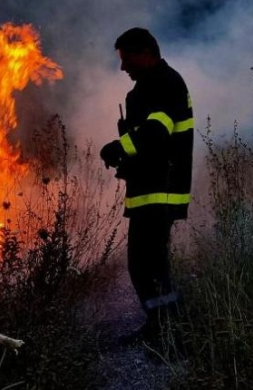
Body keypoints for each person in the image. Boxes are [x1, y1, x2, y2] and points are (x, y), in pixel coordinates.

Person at [99, 27, 193, 344]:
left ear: (144, 53)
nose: (123, 67)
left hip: (160, 190)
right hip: (150, 189)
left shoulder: (164, 84)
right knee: (150, 264)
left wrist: (118, 147)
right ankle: (163, 327)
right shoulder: (150, 86)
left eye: (127, 59)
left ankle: (166, 331)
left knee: (144, 265)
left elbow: (156, 133)